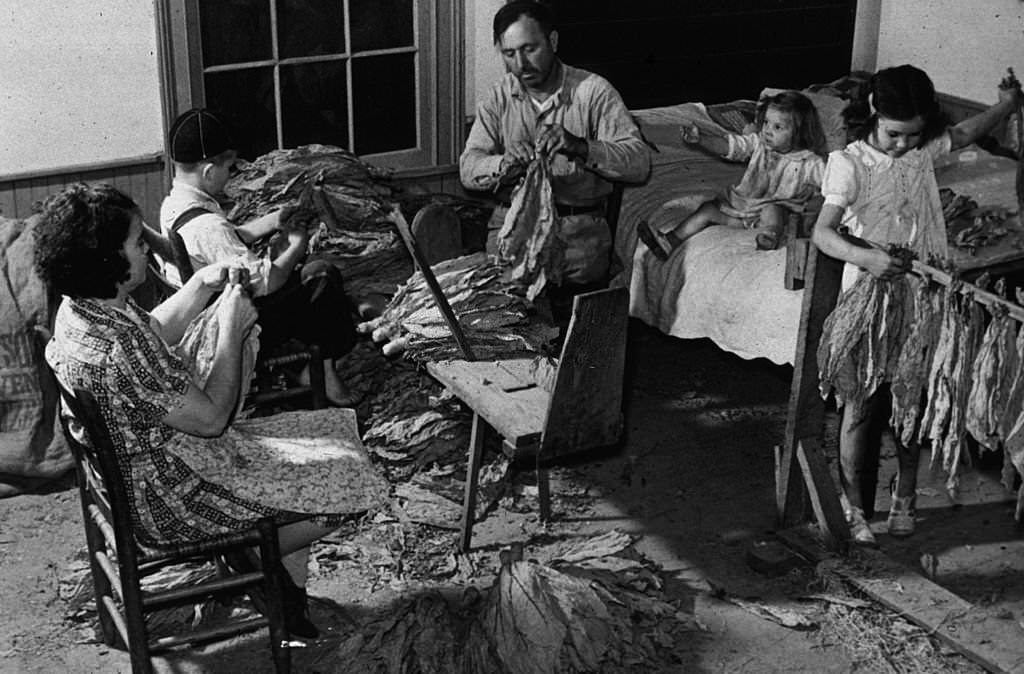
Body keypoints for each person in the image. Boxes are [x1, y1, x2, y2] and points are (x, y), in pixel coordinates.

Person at [37, 183, 390, 638]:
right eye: (136, 243)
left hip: (147, 472)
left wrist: (203, 283)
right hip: (171, 497)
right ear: (107, 261)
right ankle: (261, 559)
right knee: (355, 482)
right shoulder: (116, 350)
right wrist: (231, 326)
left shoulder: (82, 312)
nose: (147, 249)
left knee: (322, 438)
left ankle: (281, 588)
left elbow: (157, 330)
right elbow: (212, 419)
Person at [811, 64, 1021, 546]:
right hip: (867, 296)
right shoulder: (849, 163)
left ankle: (905, 496)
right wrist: (869, 257)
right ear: (872, 112)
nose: (902, 145)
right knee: (860, 407)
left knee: (912, 399)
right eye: (893, 134)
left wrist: (1008, 106)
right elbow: (822, 232)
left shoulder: (921, 154)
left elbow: (967, 132)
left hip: (919, 296)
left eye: (913, 135)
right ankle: (853, 506)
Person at [460, 0, 650, 322]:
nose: (521, 64)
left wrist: (581, 147)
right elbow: (468, 168)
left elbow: (639, 162)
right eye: (509, 54)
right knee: (504, 326)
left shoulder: (593, 93)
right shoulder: (498, 97)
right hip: (513, 232)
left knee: (573, 339)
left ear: (553, 41)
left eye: (529, 48)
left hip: (577, 237)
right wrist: (503, 163)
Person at [160, 107, 359, 406]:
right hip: (237, 328)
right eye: (228, 169)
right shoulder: (208, 226)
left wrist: (273, 220)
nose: (230, 176)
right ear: (209, 171)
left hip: (207, 307)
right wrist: (296, 245)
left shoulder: (175, 203)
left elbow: (226, 239)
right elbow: (269, 281)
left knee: (307, 275)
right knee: (322, 275)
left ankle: (318, 364)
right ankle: (322, 369)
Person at [639, 90, 828, 256]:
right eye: (767, 123)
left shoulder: (810, 162)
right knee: (707, 210)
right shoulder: (758, 144)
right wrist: (701, 139)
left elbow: (831, 187)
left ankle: (769, 237)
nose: (768, 131)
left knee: (772, 210)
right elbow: (732, 146)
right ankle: (670, 241)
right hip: (742, 212)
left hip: (774, 216)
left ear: (800, 132)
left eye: (778, 127)